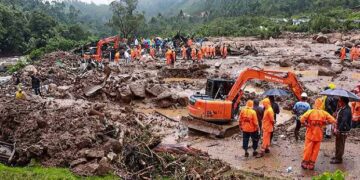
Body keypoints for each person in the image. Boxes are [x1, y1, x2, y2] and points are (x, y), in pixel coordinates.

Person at [300, 98, 336, 170]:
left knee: (308, 148)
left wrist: (306, 125)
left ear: (315, 104)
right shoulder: (324, 113)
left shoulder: (310, 112)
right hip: (319, 134)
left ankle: (305, 163)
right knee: (315, 150)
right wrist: (325, 123)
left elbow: (302, 119)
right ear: (321, 104)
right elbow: (333, 120)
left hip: (310, 132)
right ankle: (311, 164)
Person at [331, 97, 352, 164]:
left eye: (340, 101)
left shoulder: (347, 110)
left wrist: (339, 129)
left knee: (341, 144)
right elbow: (339, 117)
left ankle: (339, 158)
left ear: (343, 101)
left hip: (343, 129)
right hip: (339, 128)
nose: (339, 102)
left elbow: (344, 121)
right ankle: (337, 156)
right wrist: (335, 114)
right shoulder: (342, 108)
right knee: (337, 143)